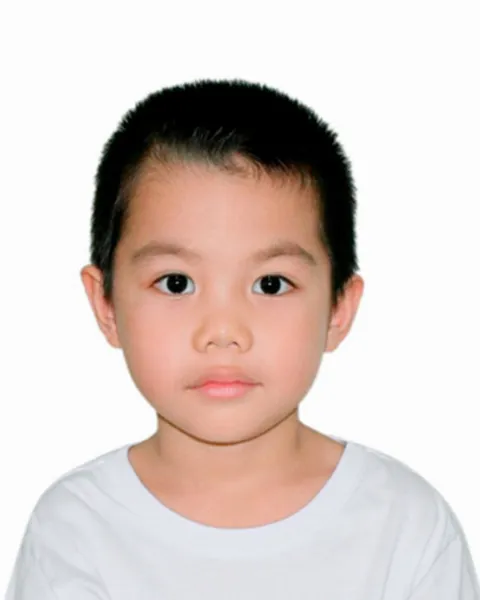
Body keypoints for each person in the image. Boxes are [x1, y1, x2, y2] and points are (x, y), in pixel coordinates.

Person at [5, 78, 479, 600]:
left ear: (339, 308)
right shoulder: (75, 531)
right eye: (176, 283)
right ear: (106, 304)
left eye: (270, 284)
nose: (224, 332)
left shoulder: (405, 527)